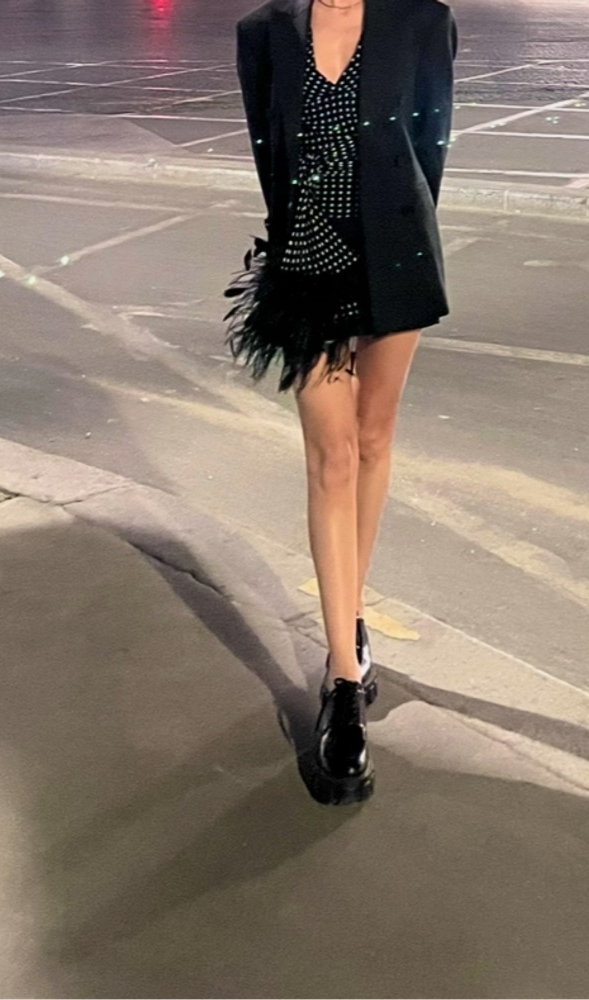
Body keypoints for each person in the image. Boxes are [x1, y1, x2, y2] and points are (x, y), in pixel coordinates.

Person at [224, 0, 458, 803]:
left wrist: (401, 247)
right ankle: (344, 678)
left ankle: (347, 613)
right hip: (305, 271)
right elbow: (270, 159)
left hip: (396, 259)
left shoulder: (421, 21)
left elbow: (429, 150)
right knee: (332, 457)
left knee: (372, 440)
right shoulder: (263, 33)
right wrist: (294, 248)